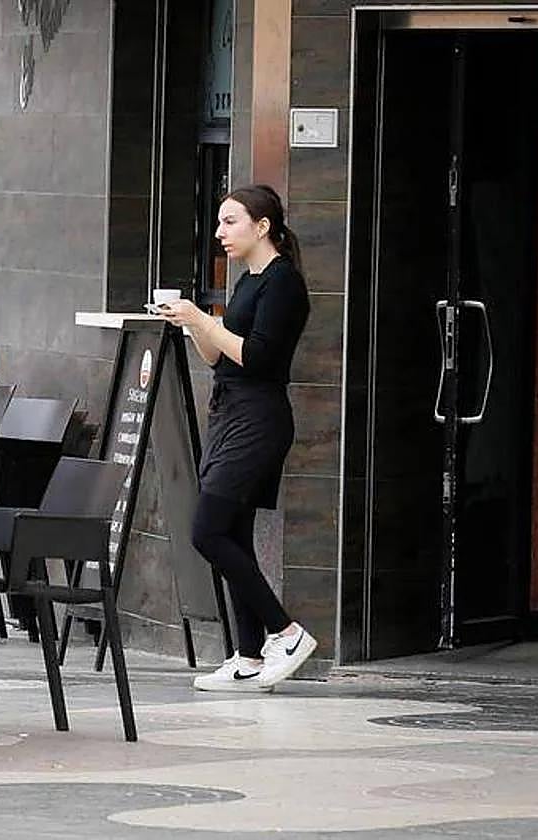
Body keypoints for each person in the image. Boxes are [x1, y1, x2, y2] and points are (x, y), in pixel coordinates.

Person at [159, 184, 317, 692]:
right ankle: (248, 657)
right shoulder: (246, 283)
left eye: (231, 222)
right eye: (220, 223)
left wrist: (205, 319)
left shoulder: (282, 284)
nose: (220, 233)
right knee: (234, 534)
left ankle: (286, 632)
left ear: (262, 226)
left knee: (207, 531)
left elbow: (261, 356)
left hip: (259, 419)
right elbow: (219, 357)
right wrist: (191, 326)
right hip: (231, 413)